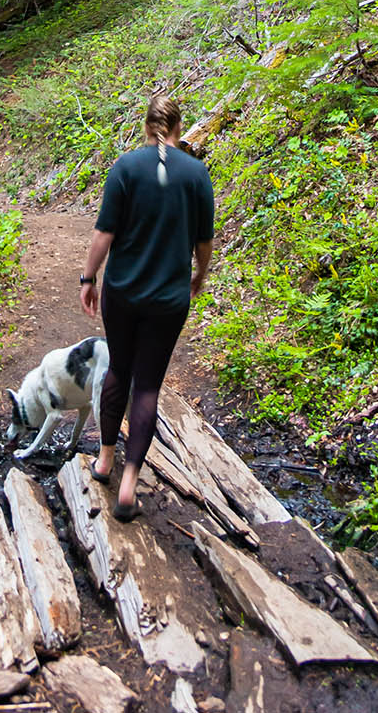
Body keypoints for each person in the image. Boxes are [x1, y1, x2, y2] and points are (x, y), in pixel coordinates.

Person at [79, 89, 214, 520]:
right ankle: (129, 485)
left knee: (118, 370)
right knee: (148, 387)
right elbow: (204, 240)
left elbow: (104, 232)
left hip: (122, 292)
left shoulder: (125, 167)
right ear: (178, 128)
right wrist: (200, 274)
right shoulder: (196, 174)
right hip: (168, 299)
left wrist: (88, 278)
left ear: (147, 127)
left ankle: (104, 460)